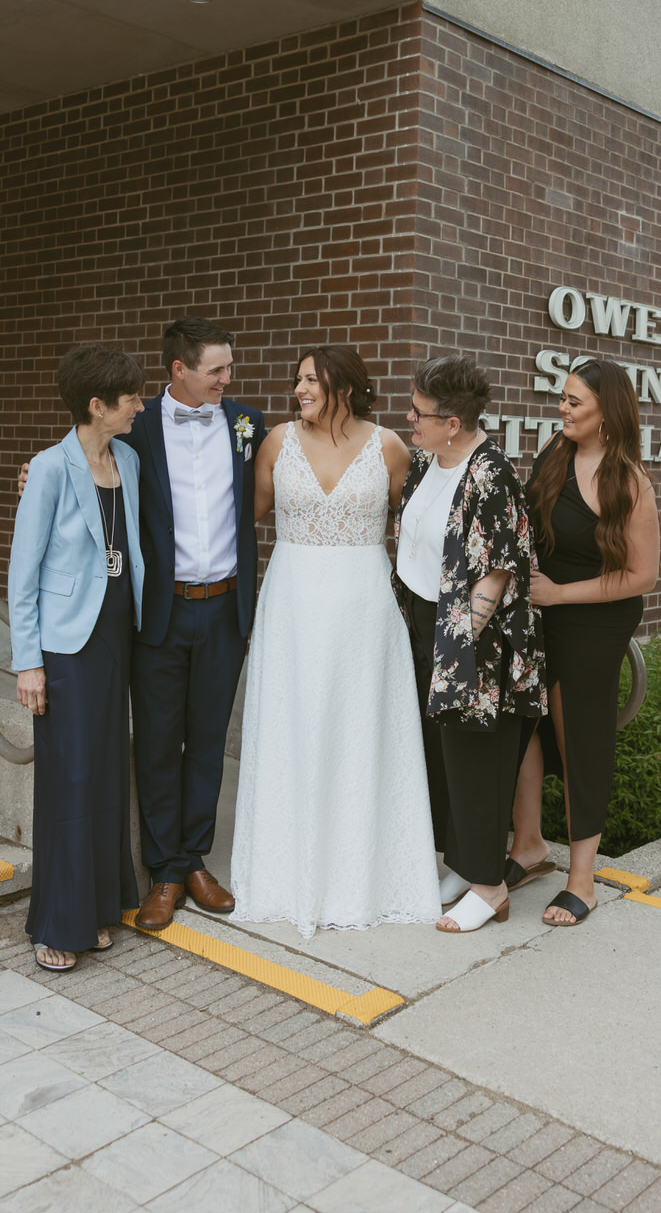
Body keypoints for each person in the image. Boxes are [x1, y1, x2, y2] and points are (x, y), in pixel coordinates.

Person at [19, 316, 265, 931]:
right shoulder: (139, 430)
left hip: (225, 606)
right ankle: (164, 872)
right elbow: (74, 459)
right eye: (217, 369)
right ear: (179, 369)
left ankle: (194, 858)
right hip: (158, 610)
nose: (228, 380)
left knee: (208, 741)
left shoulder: (248, 425)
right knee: (156, 744)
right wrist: (33, 478)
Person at [230, 346, 440, 938]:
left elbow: (420, 524)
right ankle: (283, 876)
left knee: (360, 734)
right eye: (297, 381)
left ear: (344, 386)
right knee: (291, 729)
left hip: (364, 613)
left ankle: (364, 877)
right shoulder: (275, 442)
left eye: (310, 381)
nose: (299, 390)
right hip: (293, 606)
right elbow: (241, 517)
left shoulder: (391, 447)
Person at [392, 354, 546, 935]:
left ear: (451, 422)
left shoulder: (491, 474)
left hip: (470, 638)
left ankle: (491, 887)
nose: (410, 420)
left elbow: (500, 569)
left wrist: (458, 642)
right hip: (422, 619)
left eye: (419, 413)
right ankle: (462, 865)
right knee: (441, 756)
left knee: (475, 759)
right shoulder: (426, 464)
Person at [9, 343, 145, 971]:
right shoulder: (49, 469)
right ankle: (56, 923)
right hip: (66, 647)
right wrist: (27, 662)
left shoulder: (131, 462)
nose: (139, 407)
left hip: (118, 636)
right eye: (130, 400)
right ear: (97, 406)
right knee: (69, 778)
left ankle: (96, 907)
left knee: (107, 772)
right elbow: (23, 572)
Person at [511, 357, 660, 926]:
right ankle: (529, 847)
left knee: (579, 737)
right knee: (525, 722)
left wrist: (558, 594)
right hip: (538, 610)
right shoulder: (556, 450)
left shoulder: (629, 480)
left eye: (575, 402)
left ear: (608, 412)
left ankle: (582, 879)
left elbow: (641, 576)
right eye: (564, 397)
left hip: (594, 618)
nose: (562, 408)